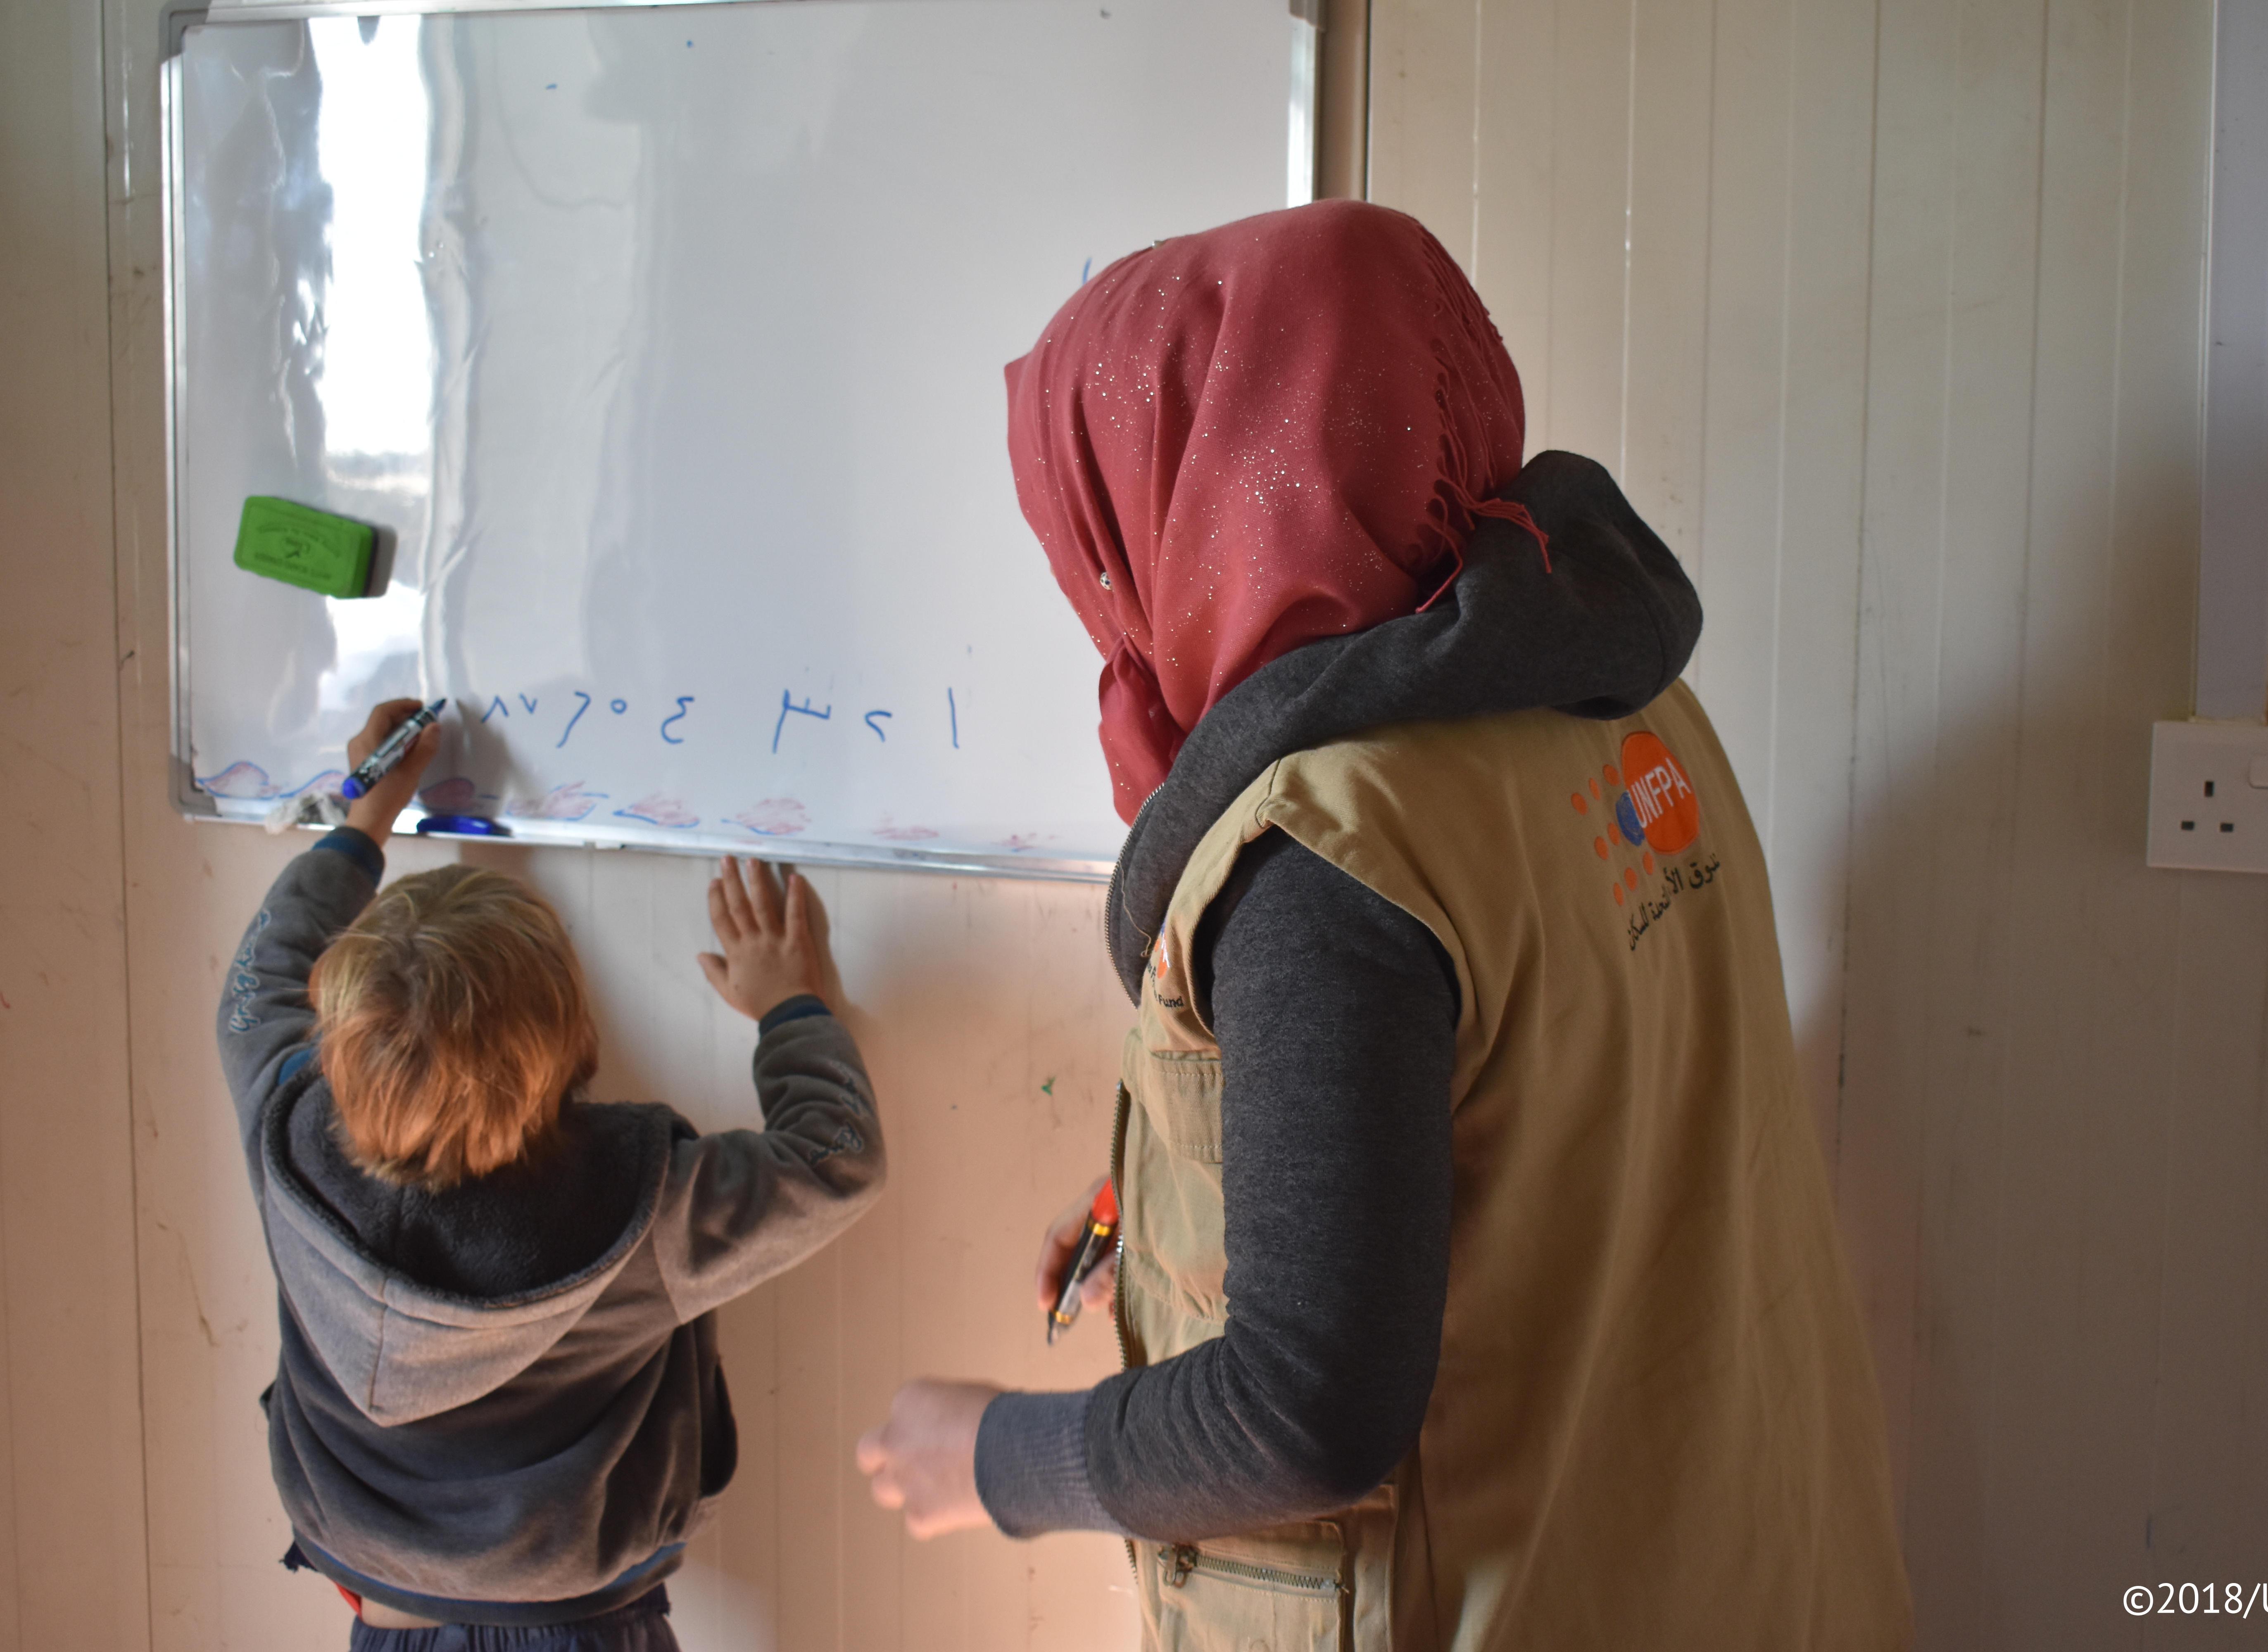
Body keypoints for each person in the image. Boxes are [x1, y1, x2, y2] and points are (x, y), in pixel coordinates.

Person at [854, 202, 1912, 1648]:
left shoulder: (1327, 853)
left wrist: (992, 1459)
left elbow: (1307, 1412)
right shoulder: (1616, 699)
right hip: (1736, 1554)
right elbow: (1533, 1107)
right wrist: (1175, 1210)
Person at [218, 699, 884, 1650]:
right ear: (574, 1040)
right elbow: (839, 1159)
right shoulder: (642, 1204)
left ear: (337, 1041)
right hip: (582, 1628)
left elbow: (259, 974)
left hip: (386, 1609)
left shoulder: (285, 1126)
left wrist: (365, 817)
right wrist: (792, 1007)